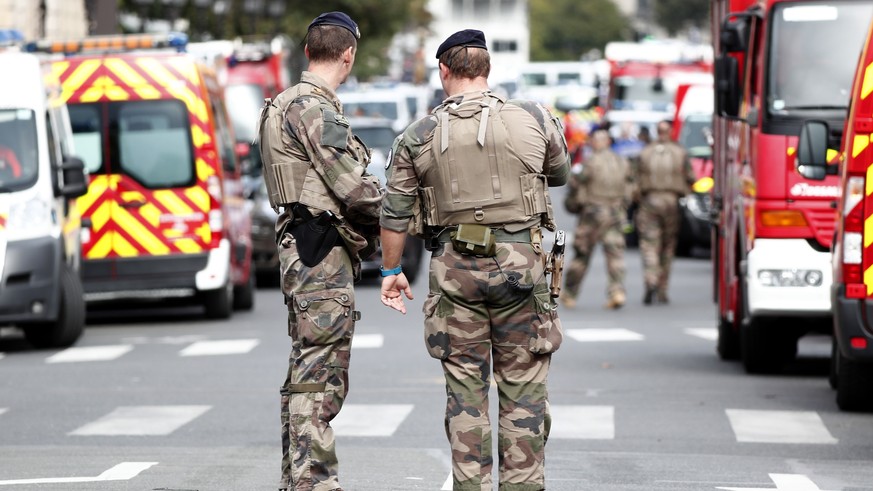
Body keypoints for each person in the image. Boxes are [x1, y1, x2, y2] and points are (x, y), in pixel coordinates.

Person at [378, 29, 570, 491]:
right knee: (523, 391)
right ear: (487, 69)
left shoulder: (418, 134)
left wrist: (390, 272)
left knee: (465, 396)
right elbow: (559, 173)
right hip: (521, 269)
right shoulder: (534, 117)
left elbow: (395, 212)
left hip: (454, 275)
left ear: (444, 70)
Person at [270, 12, 382, 491]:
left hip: (301, 243)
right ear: (348, 54)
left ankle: (297, 478)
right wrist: (407, 214)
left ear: (306, 50)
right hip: (321, 250)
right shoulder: (315, 108)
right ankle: (313, 482)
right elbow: (355, 191)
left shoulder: (282, 103)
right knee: (320, 374)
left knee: (305, 368)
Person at [560, 129, 633, 310]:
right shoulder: (622, 162)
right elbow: (632, 187)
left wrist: (574, 205)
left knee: (582, 255)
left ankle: (569, 293)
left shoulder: (589, 163)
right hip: (615, 213)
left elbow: (575, 185)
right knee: (615, 254)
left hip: (592, 214)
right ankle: (617, 291)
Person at [635, 120, 696, 305]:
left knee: (649, 244)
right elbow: (691, 178)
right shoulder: (680, 152)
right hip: (671, 202)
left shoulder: (645, 152)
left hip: (649, 201)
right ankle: (662, 288)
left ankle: (651, 279)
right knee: (668, 246)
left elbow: (634, 179)